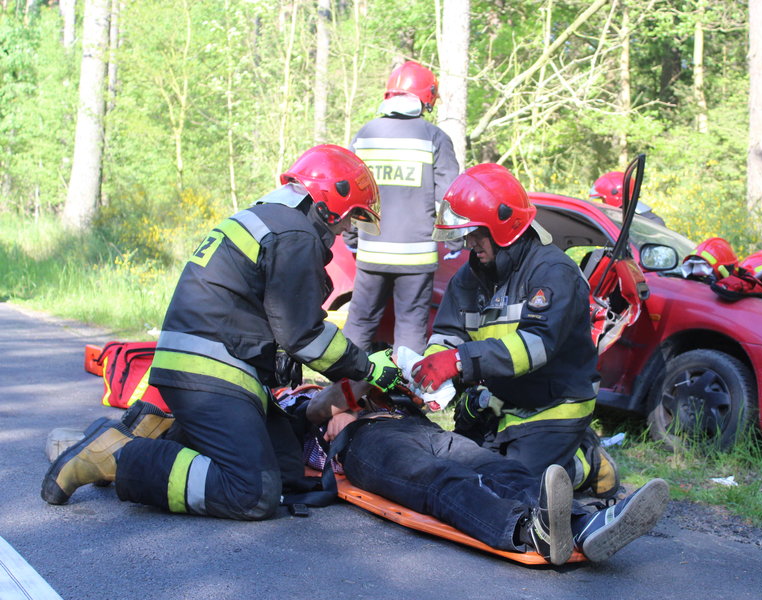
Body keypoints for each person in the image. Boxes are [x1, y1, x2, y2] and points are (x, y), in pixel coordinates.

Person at [41, 145, 403, 520]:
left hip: (209, 366)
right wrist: (369, 370)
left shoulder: (270, 220)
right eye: (349, 217)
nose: (347, 228)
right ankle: (118, 456)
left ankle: (155, 430)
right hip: (212, 372)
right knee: (252, 492)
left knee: (284, 470)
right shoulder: (296, 235)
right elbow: (303, 336)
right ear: (330, 200)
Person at [408, 163, 618, 499]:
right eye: (465, 234)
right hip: (502, 400)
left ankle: (587, 463)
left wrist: (460, 362)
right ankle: (547, 453)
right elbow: (448, 335)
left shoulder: (552, 273)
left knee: (516, 486)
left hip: (555, 402)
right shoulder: (469, 278)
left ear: (505, 225)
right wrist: (431, 376)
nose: (468, 242)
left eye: (475, 233)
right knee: (469, 472)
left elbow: (536, 345)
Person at [298, 380, 670, 566]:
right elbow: (314, 411)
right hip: (363, 442)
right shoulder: (305, 398)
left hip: (423, 429)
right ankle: (527, 530)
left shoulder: (379, 391)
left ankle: (584, 525)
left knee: (496, 466)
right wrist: (341, 407)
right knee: (440, 480)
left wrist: (401, 388)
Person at [342, 60, 460, 354]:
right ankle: (406, 394)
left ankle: (342, 391)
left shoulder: (365, 136)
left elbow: (349, 194)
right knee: (410, 327)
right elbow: (451, 195)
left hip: (371, 252)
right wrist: (456, 239)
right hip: (416, 258)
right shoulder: (434, 138)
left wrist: (352, 240)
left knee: (360, 323)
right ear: (425, 99)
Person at [590, 171, 666, 226]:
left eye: (603, 200)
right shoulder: (621, 221)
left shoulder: (651, 222)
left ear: (614, 196)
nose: (603, 203)